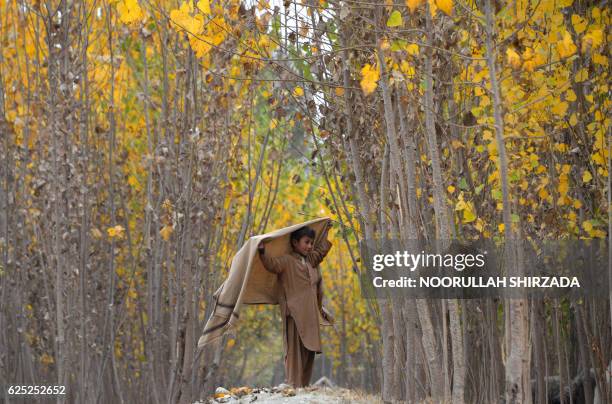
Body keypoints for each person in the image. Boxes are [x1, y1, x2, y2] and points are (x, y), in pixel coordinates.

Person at [257, 222, 334, 388]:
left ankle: (303, 388)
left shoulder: (310, 261)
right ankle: (293, 386)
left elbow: (321, 251)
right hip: (293, 314)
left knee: (309, 352)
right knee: (294, 353)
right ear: (295, 242)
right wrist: (262, 250)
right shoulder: (287, 261)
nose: (310, 246)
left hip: (310, 316)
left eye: (311, 243)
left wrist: (326, 230)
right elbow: (272, 264)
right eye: (306, 242)